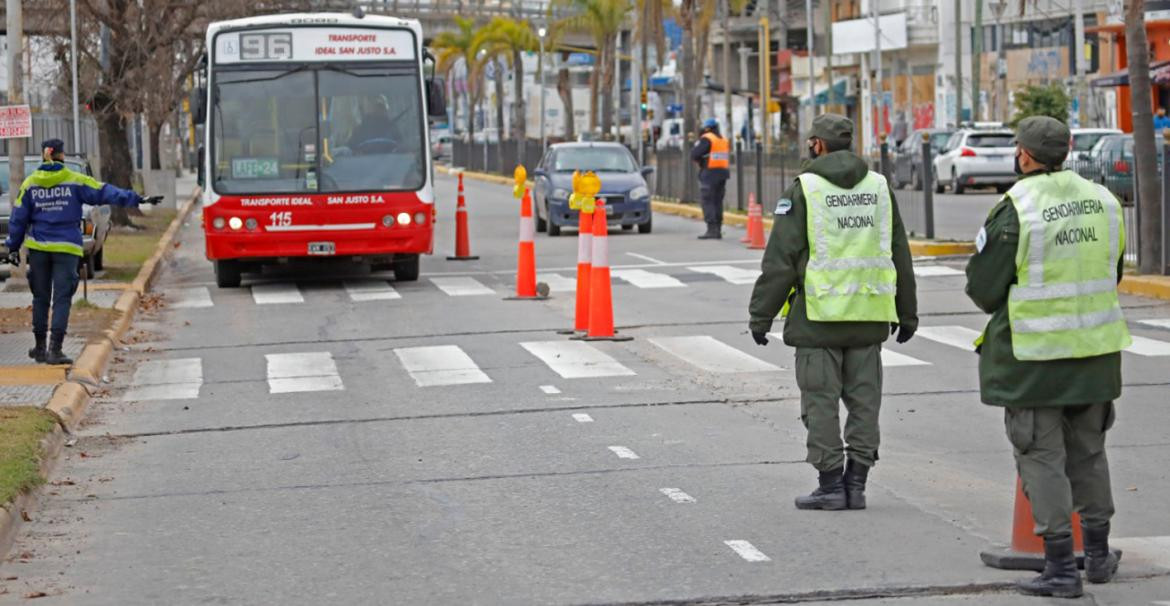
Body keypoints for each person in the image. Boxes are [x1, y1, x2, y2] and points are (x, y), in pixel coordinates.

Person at [965, 116, 1128, 599]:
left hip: (1035, 357)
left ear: (1024, 156)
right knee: (1091, 454)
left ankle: (1060, 568)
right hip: (1095, 354)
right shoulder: (1104, 200)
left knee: (1041, 458)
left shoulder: (1018, 207)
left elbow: (985, 287)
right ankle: (1097, 555)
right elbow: (1113, 270)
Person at [748, 114, 918, 511]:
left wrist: (761, 315)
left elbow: (781, 260)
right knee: (865, 403)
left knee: (820, 403)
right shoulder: (878, 186)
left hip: (819, 317)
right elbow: (899, 253)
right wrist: (907, 313)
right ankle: (856, 485)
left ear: (817, 146)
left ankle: (830, 486)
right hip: (869, 316)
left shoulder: (805, 189)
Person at [3, 139, 160, 365]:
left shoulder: (30, 183)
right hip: (66, 249)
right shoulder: (74, 180)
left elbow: (18, 218)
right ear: (61, 156)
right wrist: (136, 198)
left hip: (38, 250)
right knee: (62, 298)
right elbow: (105, 191)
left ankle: (39, 348)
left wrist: (13, 246)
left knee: (40, 298)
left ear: (43, 156)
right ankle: (54, 350)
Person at [690, 118, 730, 239]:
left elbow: (694, 154)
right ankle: (717, 228)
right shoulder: (722, 139)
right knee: (718, 201)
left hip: (710, 173)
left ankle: (711, 229)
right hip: (722, 173)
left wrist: (700, 160)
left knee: (708, 201)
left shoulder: (707, 138)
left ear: (707, 128)